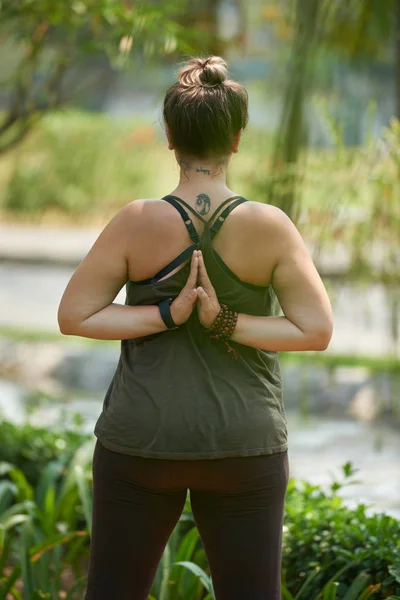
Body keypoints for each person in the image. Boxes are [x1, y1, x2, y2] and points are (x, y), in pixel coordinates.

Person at [58, 56, 333, 600]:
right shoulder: (270, 226)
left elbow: (76, 315)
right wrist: (225, 319)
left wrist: (164, 314)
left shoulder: (136, 221)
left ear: (169, 137)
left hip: (142, 442)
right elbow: (315, 330)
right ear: (236, 139)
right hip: (243, 445)